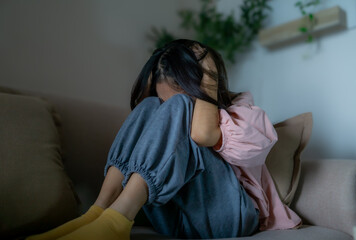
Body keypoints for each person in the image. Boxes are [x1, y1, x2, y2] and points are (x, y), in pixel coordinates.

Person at [26, 39, 301, 240]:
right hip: (172, 218)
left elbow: (203, 134)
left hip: (228, 217)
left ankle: (116, 221)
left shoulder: (245, 112)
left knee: (181, 109)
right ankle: (98, 212)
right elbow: (152, 121)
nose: (169, 114)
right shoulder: (161, 106)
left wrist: (206, 72)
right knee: (147, 107)